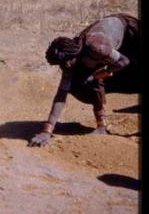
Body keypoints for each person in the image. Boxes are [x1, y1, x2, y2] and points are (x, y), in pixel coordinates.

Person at [29, 13, 140, 147]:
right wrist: (47, 131)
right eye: (61, 65)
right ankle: (101, 126)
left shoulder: (96, 47)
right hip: (107, 50)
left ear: (73, 55)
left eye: (65, 63)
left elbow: (124, 61)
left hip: (129, 34)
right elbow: (61, 96)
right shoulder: (69, 61)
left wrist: (105, 72)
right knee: (81, 83)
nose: (65, 67)